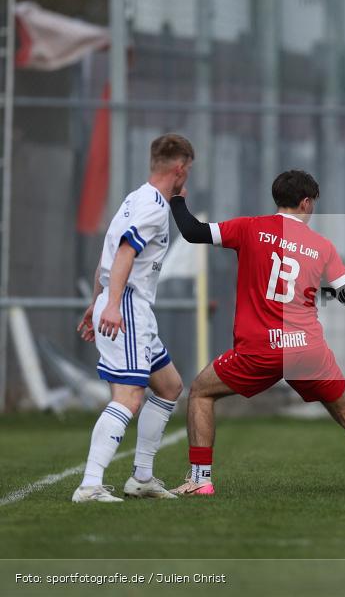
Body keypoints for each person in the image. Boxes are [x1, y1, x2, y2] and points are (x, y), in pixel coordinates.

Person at [167, 169, 345, 495]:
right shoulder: (321, 245)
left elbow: (193, 231)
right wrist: (318, 290)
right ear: (306, 202)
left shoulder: (249, 227)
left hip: (261, 348)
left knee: (201, 392)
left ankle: (200, 480)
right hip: (308, 350)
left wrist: (177, 198)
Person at [72, 133, 194, 503]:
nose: (188, 175)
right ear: (179, 167)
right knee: (128, 397)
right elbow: (124, 252)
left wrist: (97, 302)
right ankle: (90, 485)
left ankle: (141, 477)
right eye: (188, 169)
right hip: (126, 308)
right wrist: (109, 306)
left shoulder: (137, 198)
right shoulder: (153, 207)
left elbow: (105, 256)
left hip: (129, 306)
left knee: (170, 386)